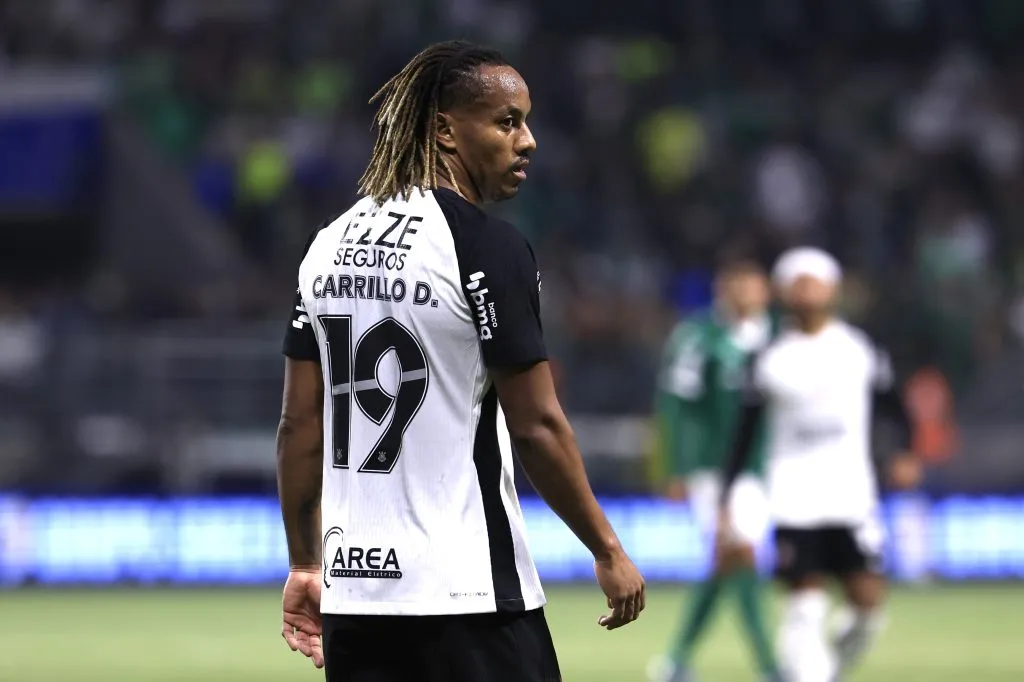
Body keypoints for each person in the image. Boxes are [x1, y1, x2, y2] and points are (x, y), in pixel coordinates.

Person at [275, 40, 645, 682]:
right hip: (467, 594)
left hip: (356, 601)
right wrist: (607, 549)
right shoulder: (484, 246)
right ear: (445, 130)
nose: (527, 141)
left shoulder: (327, 245)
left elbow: (298, 426)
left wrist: (305, 564)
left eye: (525, 121)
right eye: (507, 122)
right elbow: (537, 426)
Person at [721, 247, 920, 682]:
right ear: (783, 292)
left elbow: (896, 409)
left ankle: (822, 670)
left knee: (868, 608)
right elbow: (743, 434)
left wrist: (905, 452)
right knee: (805, 603)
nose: (807, 290)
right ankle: (804, 675)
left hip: (852, 495)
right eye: (798, 282)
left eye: (815, 281)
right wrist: (729, 496)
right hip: (793, 495)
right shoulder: (769, 356)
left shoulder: (860, 349)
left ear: (833, 289)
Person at [648, 255, 783, 682]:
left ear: (766, 289)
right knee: (738, 553)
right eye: (735, 282)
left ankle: (676, 660)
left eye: (752, 282)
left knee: (727, 563)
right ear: (722, 288)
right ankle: (770, 665)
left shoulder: (781, 336)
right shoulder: (698, 337)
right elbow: (675, 408)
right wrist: (672, 467)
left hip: (774, 469)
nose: (744, 291)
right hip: (714, 470)